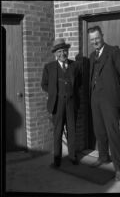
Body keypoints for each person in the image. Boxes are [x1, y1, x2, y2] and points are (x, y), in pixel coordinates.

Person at [88, 26, 120, 181]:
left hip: (110, 100)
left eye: (97, 38)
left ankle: (119, 167)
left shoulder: (114, 52)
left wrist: (116, 94)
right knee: (99, 130)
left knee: (112, 132)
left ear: (102, 36)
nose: (95, 41)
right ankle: (103, 157)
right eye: (92, 39)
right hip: (95, 99)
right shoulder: (92, 56)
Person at [41, 38, 79, 168]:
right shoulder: (49, 67)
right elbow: (44, 84)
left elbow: (78, 85)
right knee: (57, 132)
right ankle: (57, 159)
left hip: (71, 104)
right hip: (57, 105)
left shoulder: (74, 65)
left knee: (72, 131)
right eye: (59, 51)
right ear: (55, 54)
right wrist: (53, 93)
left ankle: (73, 156)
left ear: (67, 51)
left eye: (64, 51)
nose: (63, 54)